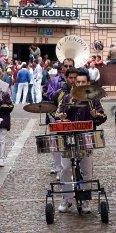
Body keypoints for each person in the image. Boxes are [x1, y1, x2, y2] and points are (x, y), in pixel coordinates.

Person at [56, 68, 107, 213]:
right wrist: (62, 116)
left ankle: (85, 201)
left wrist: (96, 115)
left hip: (86, 139)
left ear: (88, 83)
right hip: (68, 139)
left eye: (83, 82)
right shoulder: (67, 98)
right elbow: (58, 113)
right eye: (77, 82)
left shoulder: (93, 99)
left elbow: (103, 117)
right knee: (65, 168)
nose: (80, 84)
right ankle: (67, 199)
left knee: (86, 171)